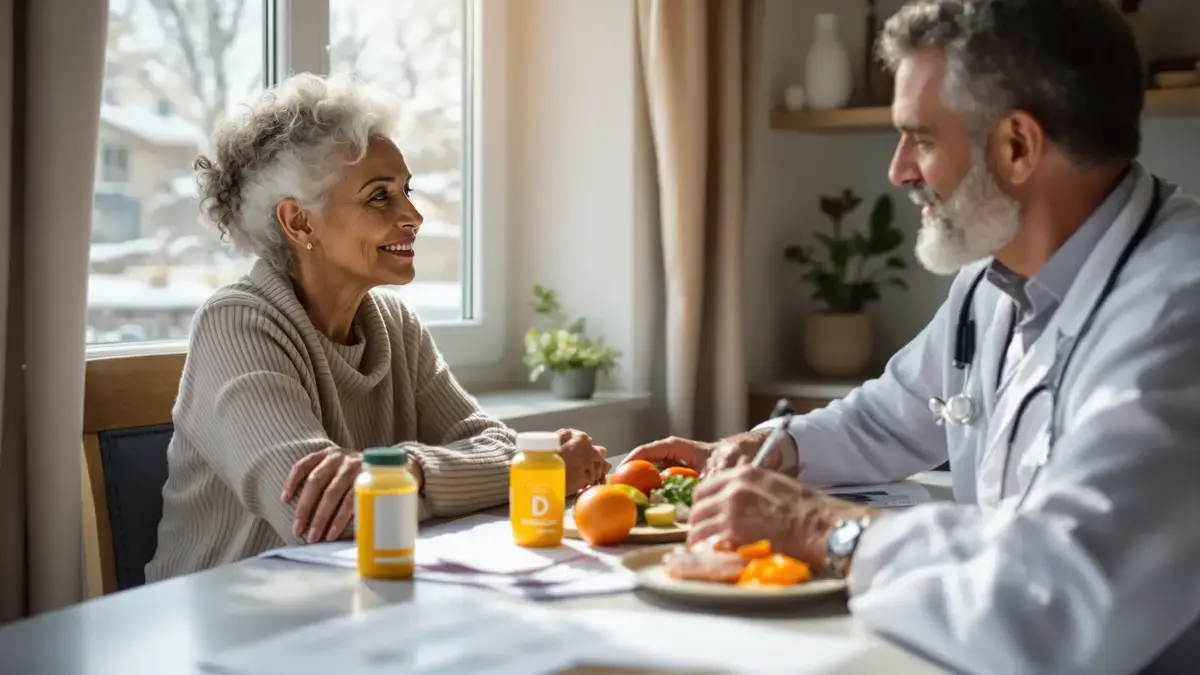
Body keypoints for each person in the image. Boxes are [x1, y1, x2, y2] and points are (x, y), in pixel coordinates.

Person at [624, 1, 1200, 672]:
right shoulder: (994, 282)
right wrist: (767, 452)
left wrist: (817, 526)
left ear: (1018, 145)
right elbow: (888, 416)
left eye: (920, 138)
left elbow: (1055, 605)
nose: (898, 170)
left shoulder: (1175, 313)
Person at [146, 74, 609, 581]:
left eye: (406, 191)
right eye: (379, 197)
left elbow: (494, 445)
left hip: (347, 603)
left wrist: (400, 473)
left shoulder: (395, 325)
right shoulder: (236, 326)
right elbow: (320, 518)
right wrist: (539, 469)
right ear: (299, 223)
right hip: (228, 626)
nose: (413, 215)